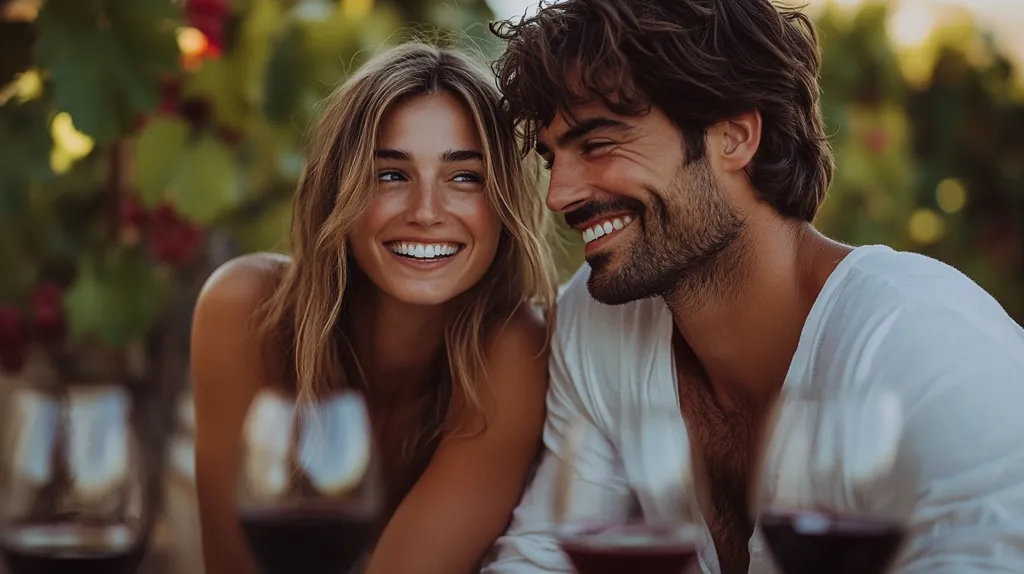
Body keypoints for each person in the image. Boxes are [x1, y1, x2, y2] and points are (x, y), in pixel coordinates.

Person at [482, 1, 1024, 573]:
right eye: (553, 158)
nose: (558, 195)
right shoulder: (598, 324)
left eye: (597, 145)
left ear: (734, 137)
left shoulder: (922, 338)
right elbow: (539, 560)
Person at [191, 42, 558, 574]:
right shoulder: (243, 309)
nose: (426, 212)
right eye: (390, 174)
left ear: (504, 203)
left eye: (464, 177)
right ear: (337, 190)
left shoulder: (514, 352)